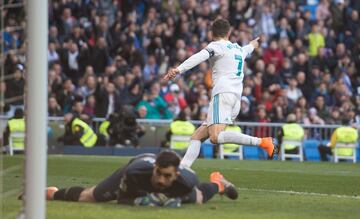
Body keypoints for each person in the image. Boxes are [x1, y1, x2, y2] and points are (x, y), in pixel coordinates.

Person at [163, 18, 279, 167]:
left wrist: (178, 70)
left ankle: (264, 142)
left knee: (215, 137)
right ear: (229, 33)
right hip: (235, 98)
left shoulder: (216, 46)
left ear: (212, 33)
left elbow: (198, 57)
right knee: (197, 136)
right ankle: (183, 169)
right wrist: (255, 43)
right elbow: (249, 48)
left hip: (223, 95)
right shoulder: (238, 49)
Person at [44, 151, 238, 207]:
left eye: (167, 176)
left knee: (198, 199)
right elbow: (122, 199)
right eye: (159, 173)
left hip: (178, 184)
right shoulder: (135, 173)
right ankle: (51, 193)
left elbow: (191, 195)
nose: (161, 180)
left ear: (176, 175)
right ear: (154, 169)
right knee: (92, 196)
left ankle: (218, 183)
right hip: (135, 171)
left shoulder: (188, 180)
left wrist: (170, 199)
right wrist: (143, 200)